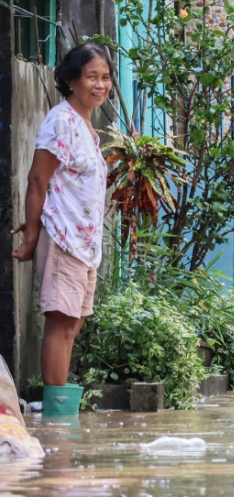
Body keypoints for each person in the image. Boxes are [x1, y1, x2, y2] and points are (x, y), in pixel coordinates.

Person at [11, 43, 112, 398]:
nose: (99, 85)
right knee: (60, 323)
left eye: (105, 77)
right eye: (91, 77)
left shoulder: (86, 125)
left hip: (84, 245)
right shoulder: (61, 121)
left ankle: (61, 412)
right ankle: (56, 418)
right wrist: (32, 234)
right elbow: (38, 180)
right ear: (71, 80)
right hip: (64, 238)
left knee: (72, 325)